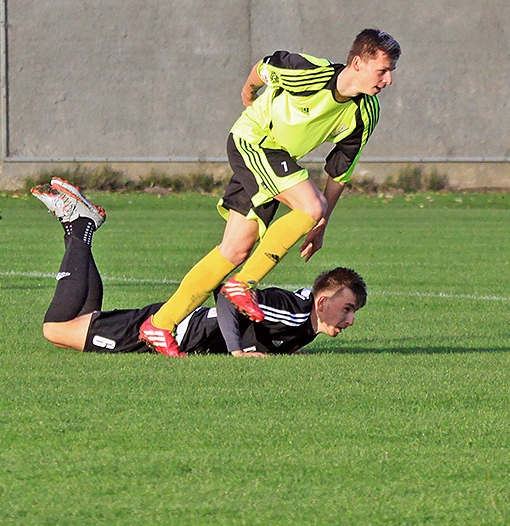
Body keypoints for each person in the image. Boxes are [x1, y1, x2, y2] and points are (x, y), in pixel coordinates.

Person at [137, 28, 399, 356]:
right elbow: (264, 67)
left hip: (275, 160)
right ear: (358, 63)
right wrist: (248, 93)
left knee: (233, 250)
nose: (388, 80)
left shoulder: (365, 113)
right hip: (252, 141)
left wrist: (322, 224)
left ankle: (160, 324)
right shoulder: (310, 73)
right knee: (309, 205)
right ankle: (241, 285)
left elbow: (338, 174)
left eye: (391, 72)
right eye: (383, 70)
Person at [31, 179, 366, 356]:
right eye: (348, 308)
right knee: (55, 330)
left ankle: (77, 225)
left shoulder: (305, 324)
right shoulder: (294, 311)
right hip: (178, 331)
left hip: (178, 325)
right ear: (323, 302)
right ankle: (80, 226)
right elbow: (228, 296)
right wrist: (238, 350)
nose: (350, 320)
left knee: (78, 322)